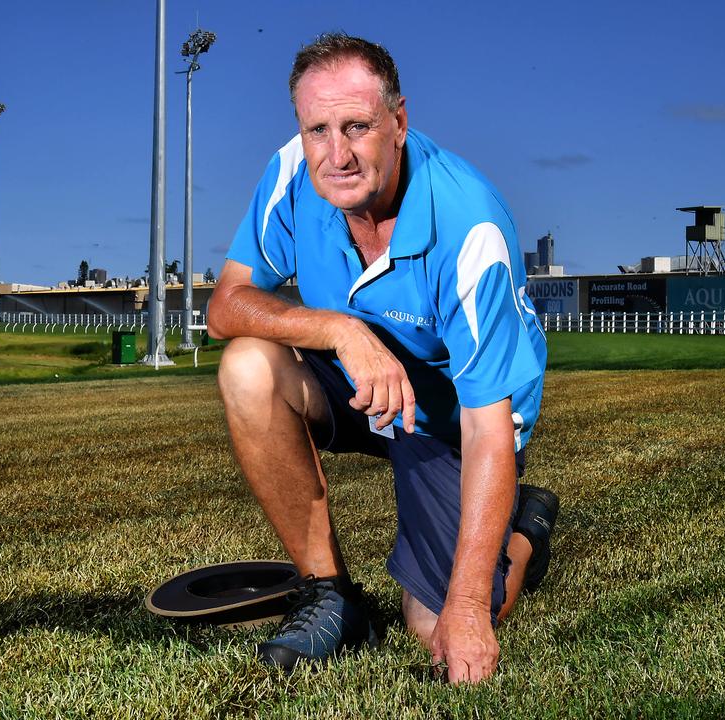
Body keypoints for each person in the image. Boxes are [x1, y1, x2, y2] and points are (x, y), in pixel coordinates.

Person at [207, 32, 555, 685]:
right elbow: (227, 306)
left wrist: (471, 607)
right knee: (248, 365)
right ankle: (330, 596)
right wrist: (342, 331)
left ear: (398, 122)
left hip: (457, 419)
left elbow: (487, 428)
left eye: (357, 126)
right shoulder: (292, 172)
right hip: (360, 382)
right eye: (317, 129)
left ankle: (524, 528)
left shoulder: (468, 226)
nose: (335, 153)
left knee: (437, 623)